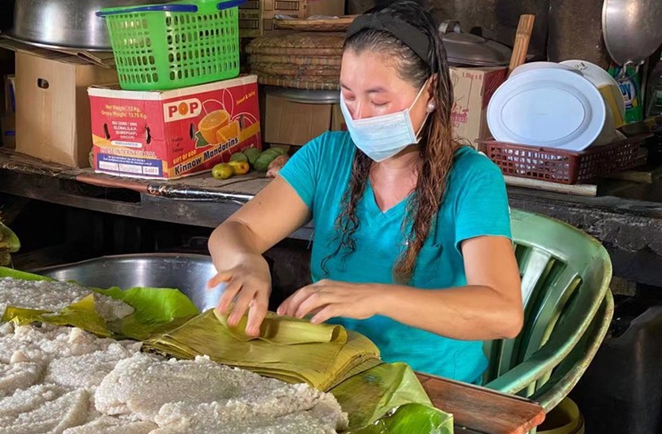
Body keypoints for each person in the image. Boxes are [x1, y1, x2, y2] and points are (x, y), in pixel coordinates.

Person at [206, 0, 523, 384]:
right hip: (332, 375)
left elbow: (503, 313)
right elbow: (236, 232)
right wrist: (245, 262)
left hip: (432, 389)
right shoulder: (327, 156)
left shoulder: (472, 179)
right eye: (349, 96)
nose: (359, 116)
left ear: (432, 92)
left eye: (378, 100)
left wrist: (375, 297)